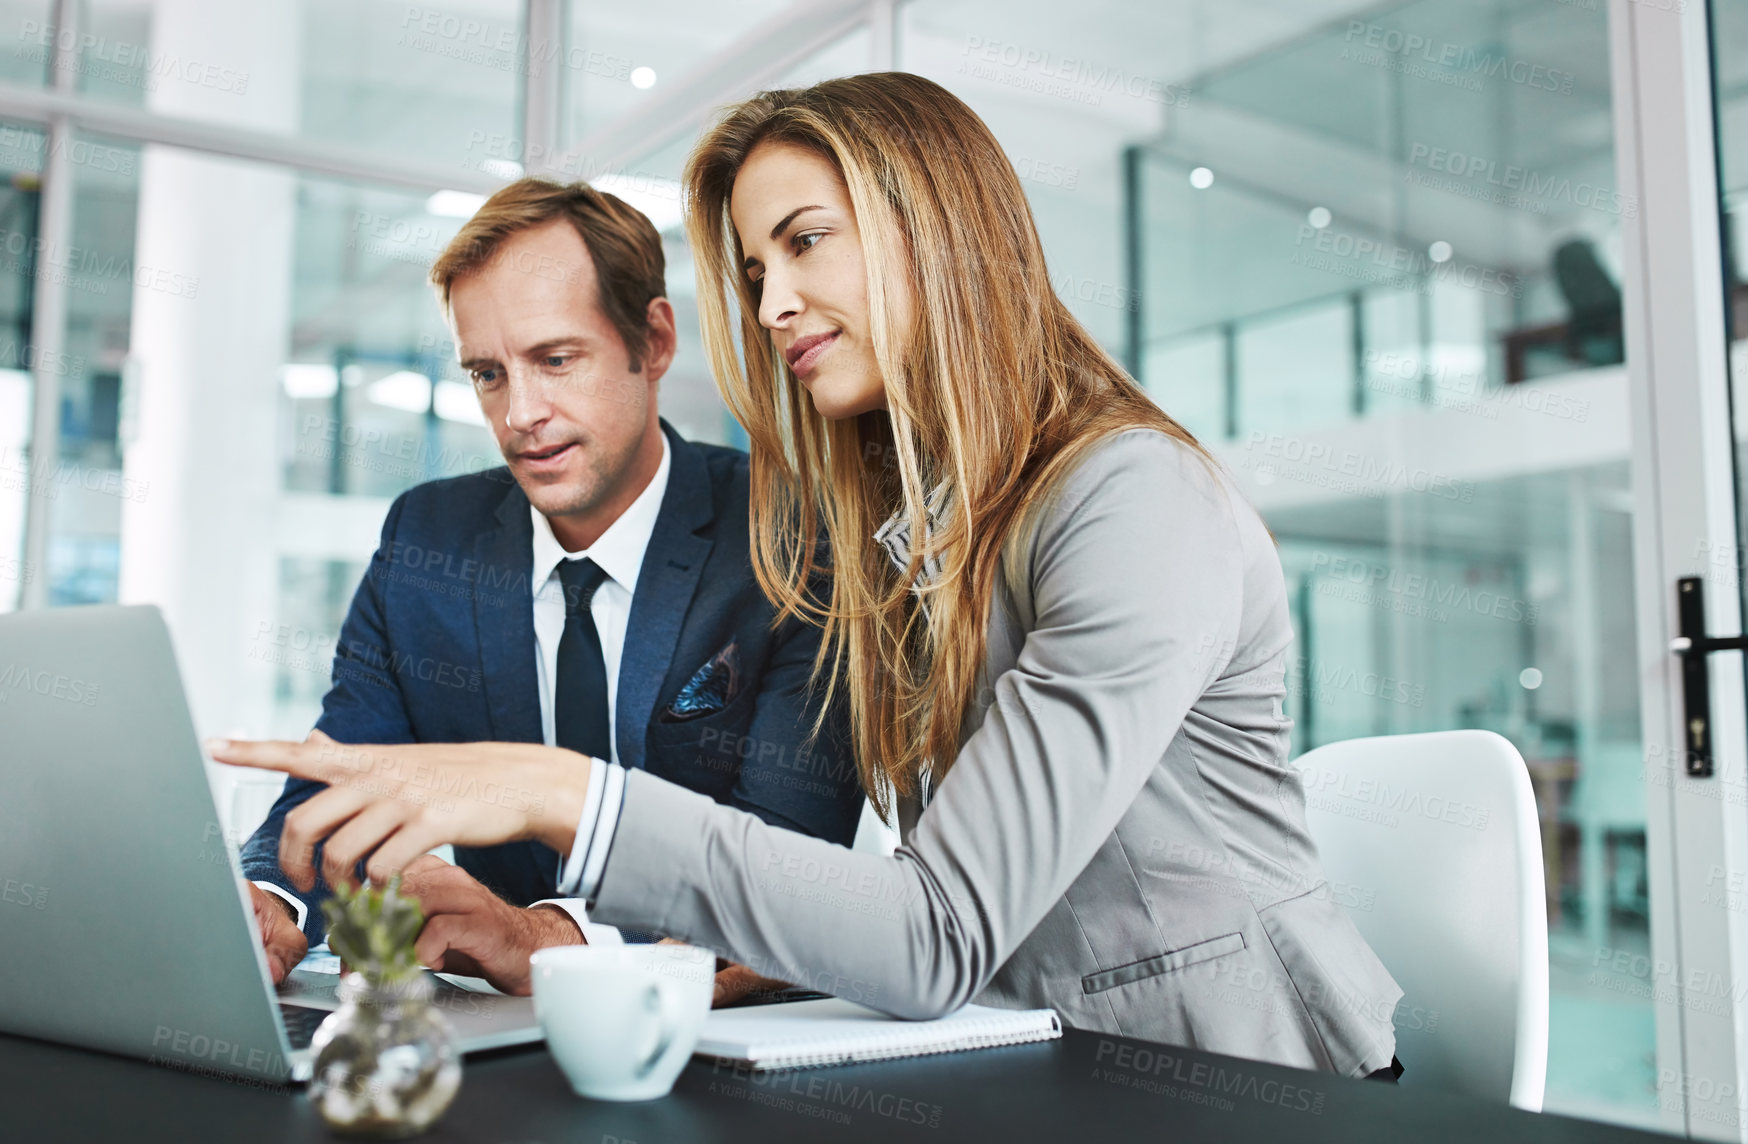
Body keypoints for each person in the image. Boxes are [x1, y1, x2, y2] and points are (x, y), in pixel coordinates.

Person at [214, 73, 1404, 1079]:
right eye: (753, 267)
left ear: (932, 228)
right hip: (1021, 1057)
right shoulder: (909, 530)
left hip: (1241, 1078)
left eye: (804, 240)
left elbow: (930, 931)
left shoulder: (1130, 499)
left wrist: (560, 793)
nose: (774, 302)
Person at [235, 177, 865, 995]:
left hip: (709, 1047)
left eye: (556, 359)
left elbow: (792, 865)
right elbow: (346, 779)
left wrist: (542, 940)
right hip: (488, 1053)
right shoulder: (427, 541)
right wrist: (269, 900)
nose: (519, 414)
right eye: (488, 374)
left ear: (655, 341)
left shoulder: (793, 540)